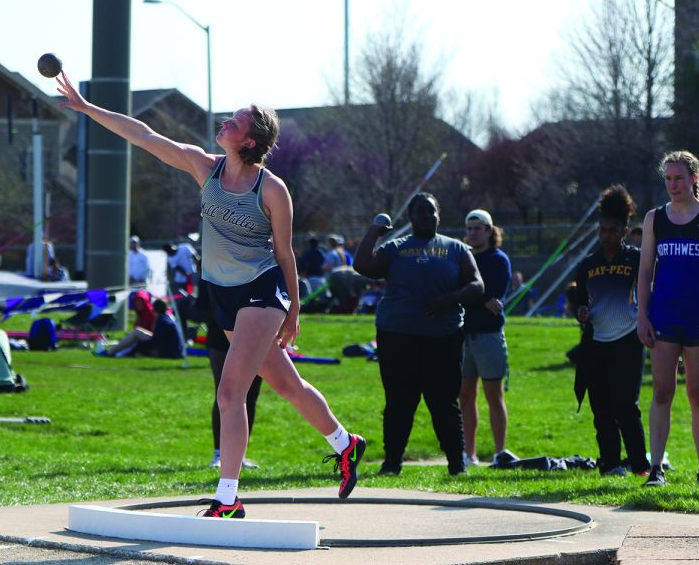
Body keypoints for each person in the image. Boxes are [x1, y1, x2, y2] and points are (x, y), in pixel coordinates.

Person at [57, 73, 365, 519]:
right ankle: (345, 443)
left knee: (229, 393)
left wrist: (294, 311)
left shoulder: (273, 190)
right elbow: (143, 135)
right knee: (285, 384)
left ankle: (228, 497)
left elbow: (285, 254)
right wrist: (87, 109)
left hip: (261, 292)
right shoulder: (205, 167)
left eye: (234, 122)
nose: (224, 122)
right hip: (222, 293)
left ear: (251, 140)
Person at [354, 194, 484, 476]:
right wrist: (374, 231)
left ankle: (456, 463)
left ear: (439, 215)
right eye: (420, 212)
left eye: (432, 212)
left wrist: (448, 299)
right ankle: (392, 463)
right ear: (411, 217)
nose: (427, 216)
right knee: (399, 401)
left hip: (444, 337)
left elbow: (476, 285)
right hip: (397, 335)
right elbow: (362, 265)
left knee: (444, 402)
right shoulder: (396, 247)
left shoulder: (457, 249)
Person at [637, 151, 699, 488]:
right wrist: (642, 316)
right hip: (664, 318)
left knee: (698, 394)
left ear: (694, 178)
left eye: (679, 178)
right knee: (662, 391)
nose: (673, 185)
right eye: (668, 178)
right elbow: (645, 271)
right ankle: (656, 469)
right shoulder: (654, 219)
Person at [572, 186, 650, 477]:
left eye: (612, 230)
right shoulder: (588, 265)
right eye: (602, 230)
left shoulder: (636, 260)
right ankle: (610, 464)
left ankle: (641, 466)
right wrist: (580, 313)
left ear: (624, 231)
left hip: (628, 342)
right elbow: (580, 304)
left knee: (625, 406)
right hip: (596, 344)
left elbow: (650, 294)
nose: (606, 235)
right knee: (601, 408)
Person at [458, 209, 512, 467]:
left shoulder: (498, 260)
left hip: (488, 337)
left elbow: (494, 298)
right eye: (469, 228)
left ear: (490, 231)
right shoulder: (462, 257)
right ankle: (469, 454)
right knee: (465, 396)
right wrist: (477, 298)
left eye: (477, 228)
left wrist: (471, 296)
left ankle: (499, 453)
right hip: (462, 335)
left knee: (494, 395)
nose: (472, 233)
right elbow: (466, 293)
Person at [99, 290, 155, 357]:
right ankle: (113, 352)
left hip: (153, 342)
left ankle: (109, 353)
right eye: (136, 301)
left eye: (140, 301)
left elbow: (154, 331)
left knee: (136, 332)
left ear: (145, 301)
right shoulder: (140, 314)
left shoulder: (152, 313)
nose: (138, 303)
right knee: (133, 348)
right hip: (144, 342)